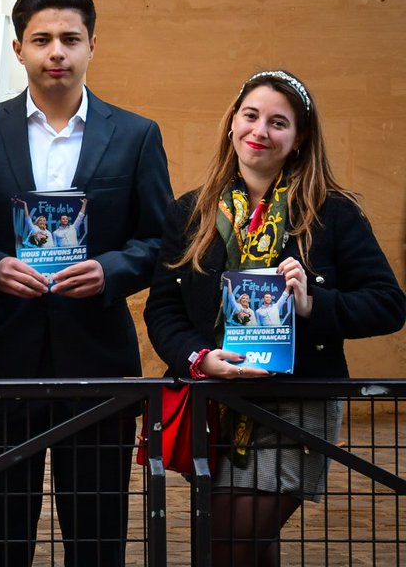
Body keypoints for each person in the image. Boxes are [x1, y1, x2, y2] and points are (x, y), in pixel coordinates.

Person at [144, 69, 405, 567]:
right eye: (250, 116)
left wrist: (312, 304)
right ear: (232, 123)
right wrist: (198, 359)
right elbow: (163, 309)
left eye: (278, 122)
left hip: (297, 404)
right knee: (249, 546)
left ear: (299, 138)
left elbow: (388, 304)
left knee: (225, 544)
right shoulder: (191, 213)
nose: (260, 131)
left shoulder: (333, 213)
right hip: (217, 402)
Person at [0, 0, 172, 567]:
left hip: (97, 360)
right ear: (19, 47)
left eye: (70, 39)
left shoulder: (135, 135)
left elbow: (159, 241)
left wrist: (109, 269)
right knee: (0, 534)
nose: (57, 51)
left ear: (92, 45)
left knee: (98, 533)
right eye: (42, 39)